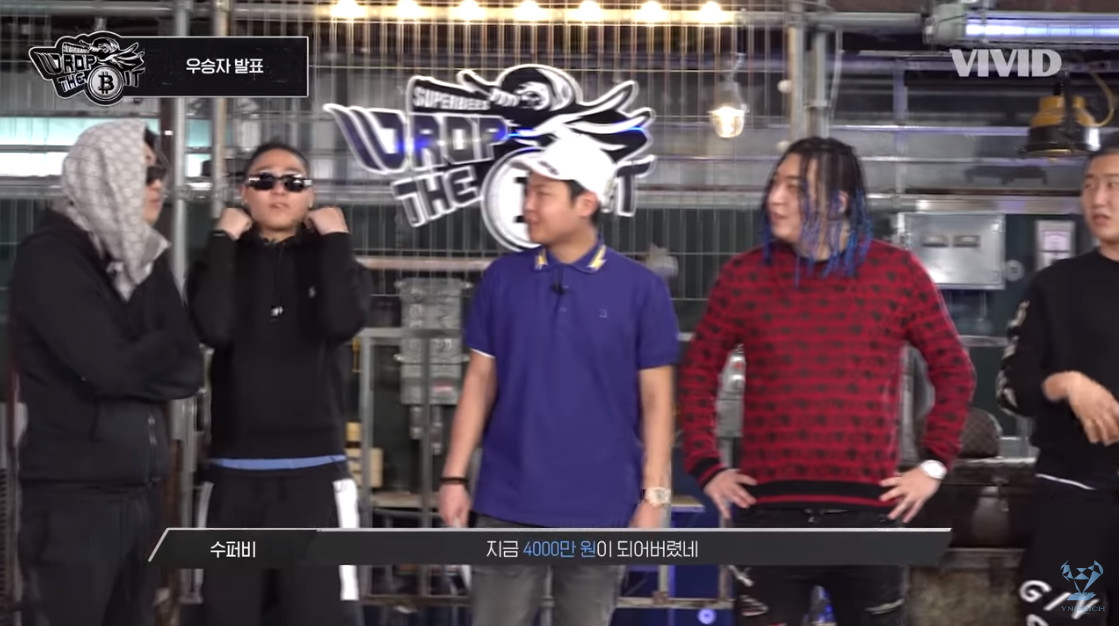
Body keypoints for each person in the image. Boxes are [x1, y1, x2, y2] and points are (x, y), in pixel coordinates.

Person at [678, 137, 976, 626]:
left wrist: (934, 464)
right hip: (769, 514)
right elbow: (698, 369)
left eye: (795, 188)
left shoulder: (896, 273)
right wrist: (706, 465)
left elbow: (955, 368)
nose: (775, 198)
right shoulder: (745, 275)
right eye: (775, 183)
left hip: (869, 514)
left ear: (837, 202)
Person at [437, 131, 680, 626]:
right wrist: (454, 477)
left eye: (542, 194)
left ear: (585, 203)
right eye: (527, 191)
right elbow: (479, 382)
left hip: (602, 505)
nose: (527, 206)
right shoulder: (502, 278)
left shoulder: (641, 290)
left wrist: (654, 496)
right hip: (508, 498)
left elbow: (658, 400)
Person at [8, 119, 204, 626]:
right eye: (143, 173)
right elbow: (107, 369)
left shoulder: (140, 257)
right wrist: (149, 353)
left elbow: (188, 370)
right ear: (104, 176)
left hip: (141, 499)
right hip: (75, 506)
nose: (158, 184)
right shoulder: (50, 259)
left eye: (159, 172)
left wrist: (139, 351)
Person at [186, 141, 372, 626]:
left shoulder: (333, 260)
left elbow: (341, 321)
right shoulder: (219, 261)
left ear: (310, 195)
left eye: (293, 181)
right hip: (234, 479)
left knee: (321, 616)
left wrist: (337, 239)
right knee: (226, 615)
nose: (279, 190)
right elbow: (213, 328)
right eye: (263, 180)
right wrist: (222, 240)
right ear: (244, 193)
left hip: (314, 478)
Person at [997, 134, 1119, 626]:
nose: (1098, 199)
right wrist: (1066, 382)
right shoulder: (1055, 285)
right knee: (1069, 616)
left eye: (1113, 185)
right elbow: (1011, 386)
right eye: (1089, 185)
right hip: (1073, 495)